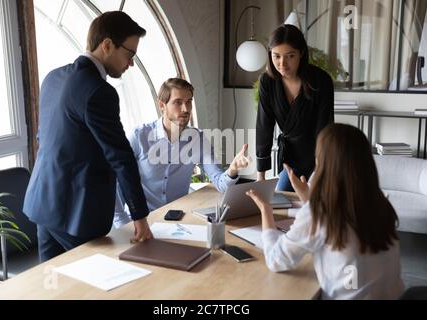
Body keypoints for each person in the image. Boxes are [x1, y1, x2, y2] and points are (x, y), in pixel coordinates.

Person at [23, 11, 152, 262]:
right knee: (95, 286)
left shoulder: (53, 77)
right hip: (77, 215)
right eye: (130, 54)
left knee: (53, 287)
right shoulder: (98, 91)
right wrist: (140, 217)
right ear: (107, 45)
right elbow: (121, 156)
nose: (131, 63)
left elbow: (44, 137)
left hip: (43, 204)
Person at [247, 123, 404, 299]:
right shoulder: (380, 203)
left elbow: (276, 260)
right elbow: (333, 224)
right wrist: (308, 199)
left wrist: (266, 210)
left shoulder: (319, 212)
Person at [113, 78, 250, 227]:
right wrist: (122, 222)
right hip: (141, 220)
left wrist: (232, 169)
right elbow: (116, 180)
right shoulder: (139, 136)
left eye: (189, 101)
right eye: (178, 102)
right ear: (162, 105)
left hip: (178, 219)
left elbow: (219, 182)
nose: (185, 109)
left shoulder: (197, 138)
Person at [256, 24, 334, 191]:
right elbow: (264, 126)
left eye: (290, 56)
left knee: (317, 207)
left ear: (301, 53)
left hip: (319, 157)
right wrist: (260, 176)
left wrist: (320, 171)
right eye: (276, 56)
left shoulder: (321, 80)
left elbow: (324, 127)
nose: (282, 63)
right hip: (291, 160)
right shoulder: (267, 82)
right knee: (282, 201)